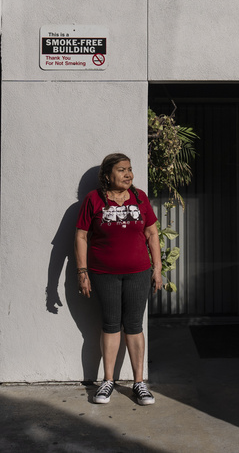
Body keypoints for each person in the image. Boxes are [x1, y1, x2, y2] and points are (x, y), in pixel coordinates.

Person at [75, 153, 163, 406]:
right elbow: (81, 236)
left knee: (134, 325)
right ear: (107, 176)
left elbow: (152, 233)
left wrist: (156, 268)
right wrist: (82, 272)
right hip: (104, 274)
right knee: (110, 324)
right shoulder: (94, 200)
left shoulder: (139, 198)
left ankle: (139, 383)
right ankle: (108, 381)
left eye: (130, 169)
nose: (128, 174)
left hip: (138, 273)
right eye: (122, 170)